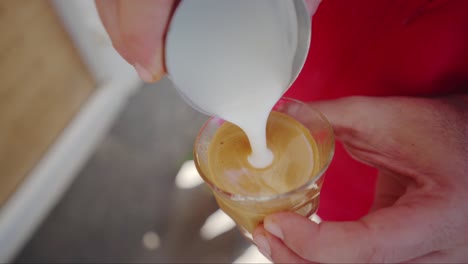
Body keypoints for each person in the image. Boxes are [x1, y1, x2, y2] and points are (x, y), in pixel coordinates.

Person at [96, 0, 468, 262]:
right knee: (243, 192)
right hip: (281, 46)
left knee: (327, 225)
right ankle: (225, 211)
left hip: (406, 163)